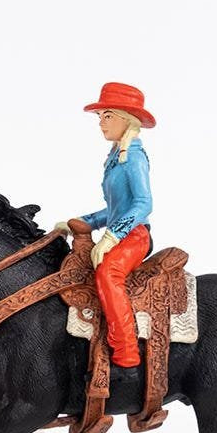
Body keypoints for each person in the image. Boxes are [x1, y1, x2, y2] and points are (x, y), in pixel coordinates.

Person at [56, 82, 155, 368]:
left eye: (107, 116)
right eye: (100, 116)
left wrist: (112, 236)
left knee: (108, 272)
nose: (101, 122)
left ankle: (127, 354)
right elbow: (114, 208)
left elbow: (143, 203)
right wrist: (84, 222)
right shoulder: (115, 157)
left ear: (127, 119)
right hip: (121, 230)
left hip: (135, 234)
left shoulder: (133, 157)